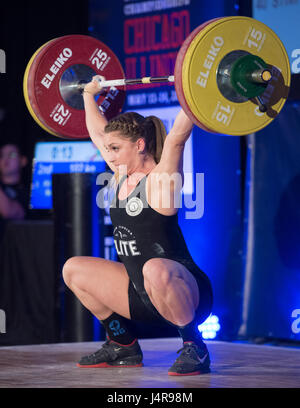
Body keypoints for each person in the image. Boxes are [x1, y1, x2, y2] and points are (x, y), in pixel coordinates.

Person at [62, 76, 213, 376]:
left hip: (184, 291)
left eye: (116, 148)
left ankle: (194, 346)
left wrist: (195, 86)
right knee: (73, 269)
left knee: (153, 268)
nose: (110, 154)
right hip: (141, 294)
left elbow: (178, 137)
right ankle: (123, 343)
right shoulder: (120, 172)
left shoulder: (161, 180)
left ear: (140, 145)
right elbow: (96, 132)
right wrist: (89, 96)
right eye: (110, 149)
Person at [0, 143, 29, 221]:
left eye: (12, 155)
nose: (5, 159)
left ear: (23, 161)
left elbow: (9, 212)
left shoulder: (27, 193)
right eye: (2, 155)